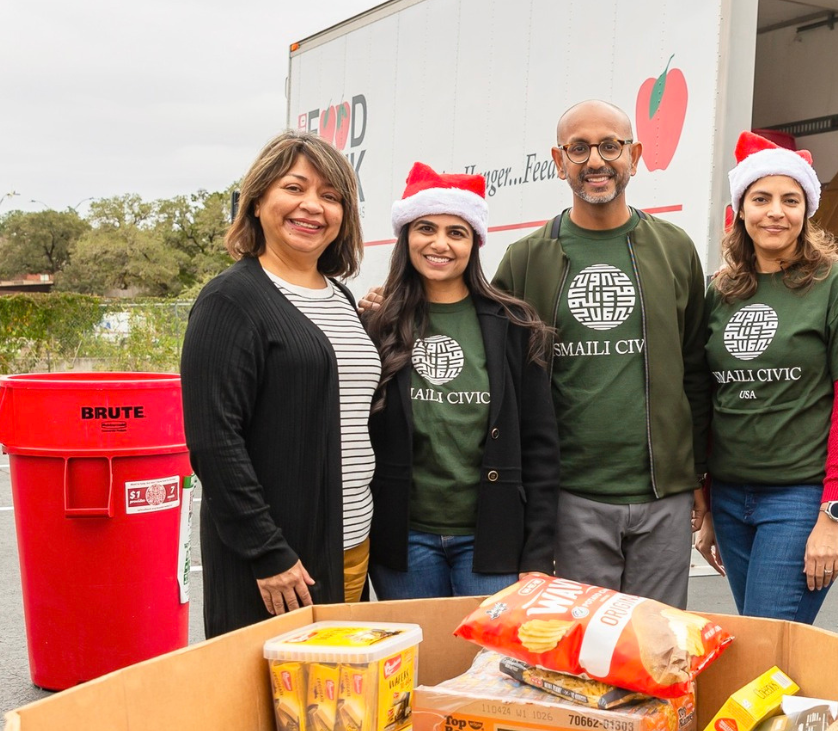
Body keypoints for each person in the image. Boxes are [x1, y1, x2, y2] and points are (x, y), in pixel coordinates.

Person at [365, 100, 710, 607]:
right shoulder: (527, 258)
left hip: (664, 494)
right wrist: (384, 301)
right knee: (575, 652)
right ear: (558, 160)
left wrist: (699, 473)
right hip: (573, 498)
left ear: (634, 155)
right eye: (579, 148)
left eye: (611, 146)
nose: (596, 161)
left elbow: (696, 370)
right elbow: (495, 356)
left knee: (656, 645)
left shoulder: (674, 248)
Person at [182, 132, 381, 637]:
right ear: (258, 200)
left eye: (331, 196)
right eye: (295, 188)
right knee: (279, 708)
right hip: (281, 559)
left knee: (335, 703)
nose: (312, 207)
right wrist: (267, 551)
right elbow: (215, 441)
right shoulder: (231, 300)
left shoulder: (340, 296)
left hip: (352, 540)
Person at [692, 132, 838, 622]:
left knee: (767, 644)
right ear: (741, 209)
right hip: (732, 499)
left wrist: (833, 516)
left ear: (807, 210)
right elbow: (704, 399)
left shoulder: (836, 284)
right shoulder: (720, 291)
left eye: (791, 199)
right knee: (764, 644)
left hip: (801, 499)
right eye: (761, 199)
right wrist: (708, 501)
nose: (775, 212)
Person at [364, 163, 559, 598]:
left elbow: (541, 447)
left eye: (457, 232)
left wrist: (537, 556)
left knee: (491, 666)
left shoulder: (514, 325)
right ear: (406, 237)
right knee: (419, 663)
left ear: (474, 244)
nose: (440, 243)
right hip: (404, 539)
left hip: (491, 539)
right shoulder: (377, 326)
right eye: (426, 228)